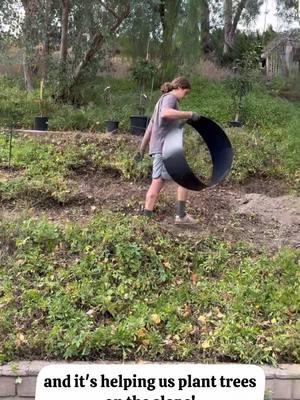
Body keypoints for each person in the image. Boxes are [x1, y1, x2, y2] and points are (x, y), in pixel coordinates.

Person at [135, 76, 201, 224]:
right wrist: (189, 114)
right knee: (182, 180)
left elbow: (150, 128)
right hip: (165, 149)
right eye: (185, 92)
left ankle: (147, 217)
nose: (185, 97)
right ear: (179, 88)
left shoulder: (160, 101)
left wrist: (141, 150)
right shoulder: (171, 98)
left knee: (159, 181)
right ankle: (180, 216)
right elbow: (166, 113)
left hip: (158, 148)